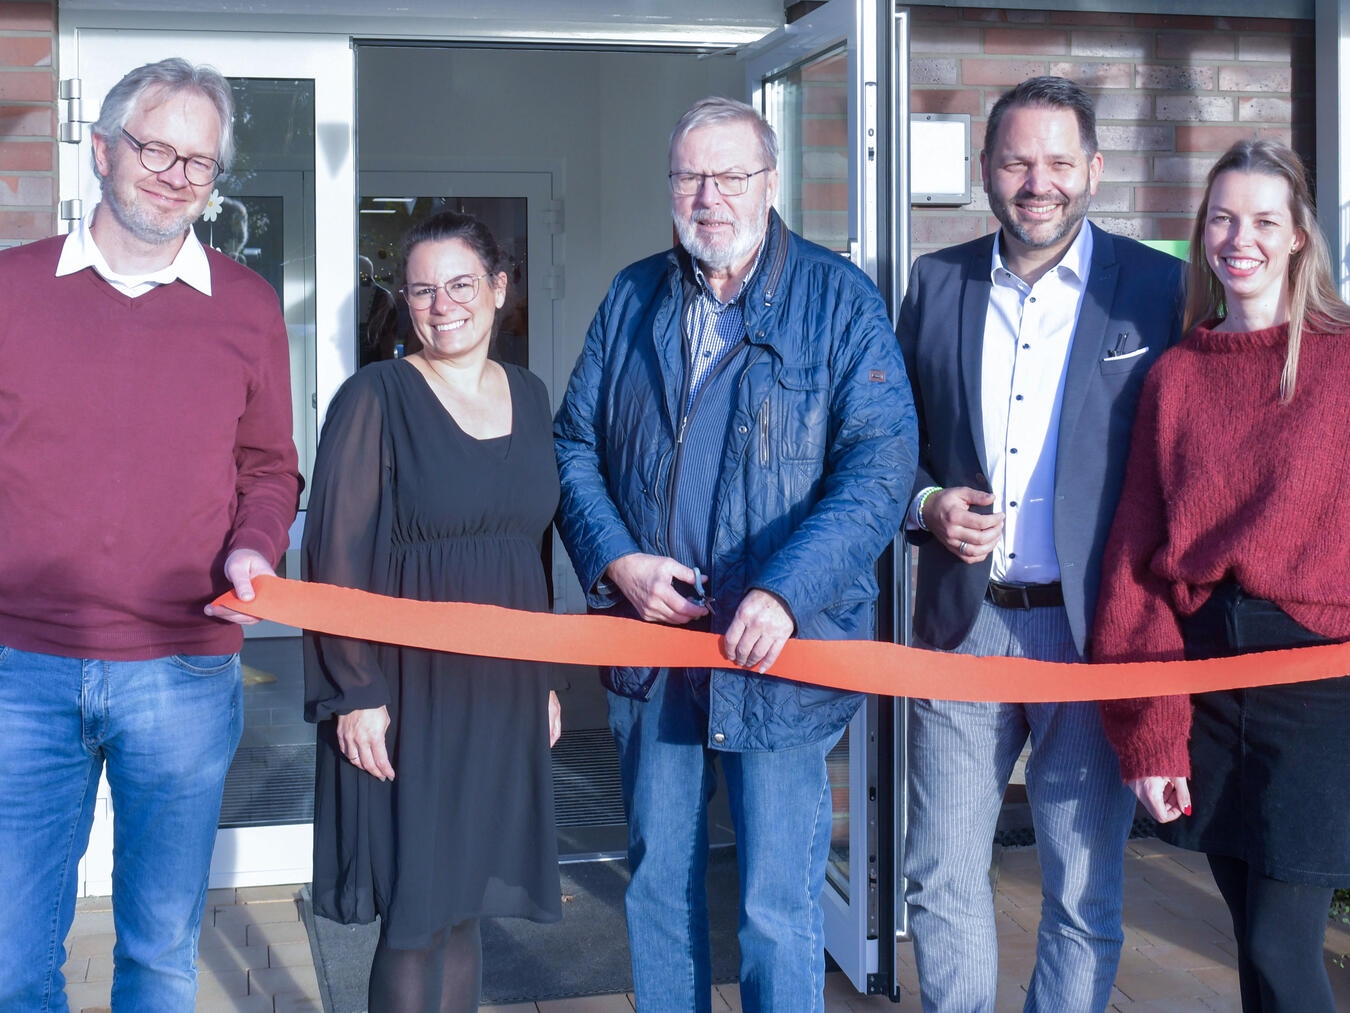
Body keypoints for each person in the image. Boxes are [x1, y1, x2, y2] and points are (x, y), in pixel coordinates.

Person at [554, 96, 916, 1012]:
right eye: (689, 177)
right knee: (656, 888)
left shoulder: (839, 301)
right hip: (656, 653)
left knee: (773, 904)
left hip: (779, 660)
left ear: (770, 182)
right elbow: (572, 447)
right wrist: (618, 561)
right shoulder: (632, 296)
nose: (708, 197)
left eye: (730, 176)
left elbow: (880, 468)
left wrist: (788, 593)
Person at [0, 58, 302, 1011]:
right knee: (12, 966)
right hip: (20, 669)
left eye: (199, 162)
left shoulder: (247, 307)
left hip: (182, 668)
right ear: (100, 150)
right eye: (154, 148)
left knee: (159, 958)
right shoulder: (8, 291)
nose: (174, 174)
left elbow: (270, 466)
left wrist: (257, 543)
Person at [896, 75, 1185, 1012]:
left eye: (1060, 161)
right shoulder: (936, 283)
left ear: (1094, 169)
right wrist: (929, 502)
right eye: (1017, 159)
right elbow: (888, 448)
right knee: (939, 878)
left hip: (1092, 633)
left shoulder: (1157, 289)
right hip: (961, 626)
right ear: (986, 169)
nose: (1038, 181)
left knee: (1080, 889)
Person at [1094, 138, 1350, 1013]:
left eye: (1264, 220)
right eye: (1223, 218)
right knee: (1254, 945)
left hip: (1318, 688)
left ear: (1298, 239)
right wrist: (1150, 727)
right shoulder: (1176, 376)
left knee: (1284, 944)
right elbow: (1138, 561)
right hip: (1206, 681)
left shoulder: (1344, 365)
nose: (1239, 237)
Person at [303, 210, 562, 1013]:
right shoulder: (375, 396)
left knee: (463, 906)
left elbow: (533, 552)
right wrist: (355, 691)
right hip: (408, 691)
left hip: (499, 688)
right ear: (405, 302)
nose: (443, 304)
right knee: (416, 915)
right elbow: (331, 560)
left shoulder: (530, 392)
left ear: (499, 288)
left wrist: (543, 678)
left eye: (460, 284)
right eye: (422, 289)